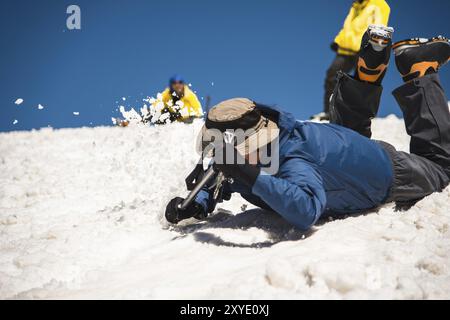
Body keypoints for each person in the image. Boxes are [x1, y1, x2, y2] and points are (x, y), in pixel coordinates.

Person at [165, 26, 450, 231]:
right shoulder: (272, 136)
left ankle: (419, 71)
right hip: (341, 148)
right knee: (348, 131)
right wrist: (199, 200)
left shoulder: (293, 162)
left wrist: (247, 174)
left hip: (387, 171)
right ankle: (370, 69)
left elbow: (306, 209)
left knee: (441, 169)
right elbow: (223, 174)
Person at [311, 0, 390, 121]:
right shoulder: (356, 6)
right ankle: (329, 112)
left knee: (362, 82)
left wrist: (373, 44)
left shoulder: (379, 4)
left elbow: (380, 26)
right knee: (332, 76)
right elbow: (348, 28)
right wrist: (338, 41)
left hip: (363, 47)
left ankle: (361, 116)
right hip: (346, 49)